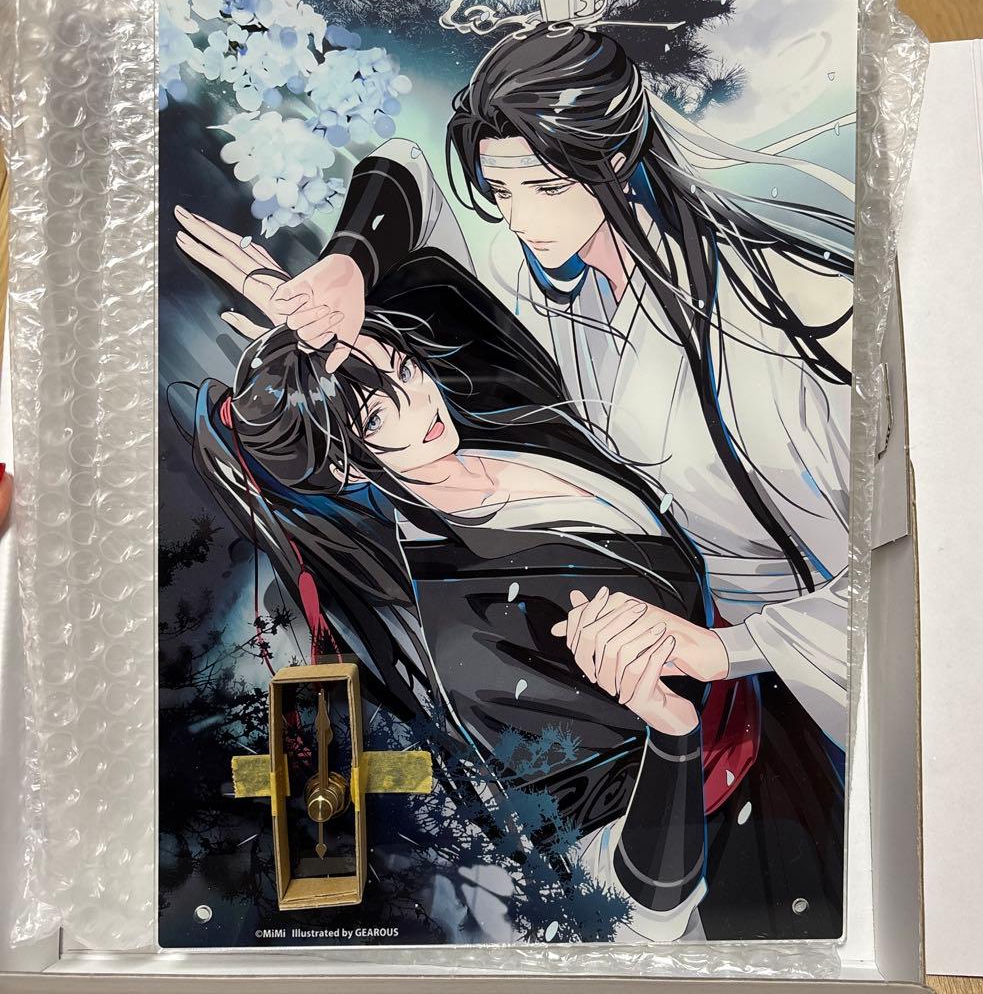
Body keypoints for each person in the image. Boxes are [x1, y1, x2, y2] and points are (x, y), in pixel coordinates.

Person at [179, 22, 854, 754]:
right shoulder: (534, 285)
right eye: (501, 190)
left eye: (548, 186)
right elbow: (406, 168)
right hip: (683, 661)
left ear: (618, 158)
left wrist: (724, 651)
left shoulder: (775, 318)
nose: (523, 219)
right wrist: (347, 266)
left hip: (801, 661)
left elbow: (883, 571)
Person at [170, 234, 843, 940]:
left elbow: (418, 231)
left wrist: (335, 274)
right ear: (348, 469)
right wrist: (672, 736)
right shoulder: (469, 632)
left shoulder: (489, 405)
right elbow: (627, 896)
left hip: (788, 709)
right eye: (374, 415)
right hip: (736, 839)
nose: (418, 401)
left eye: (402, 365)